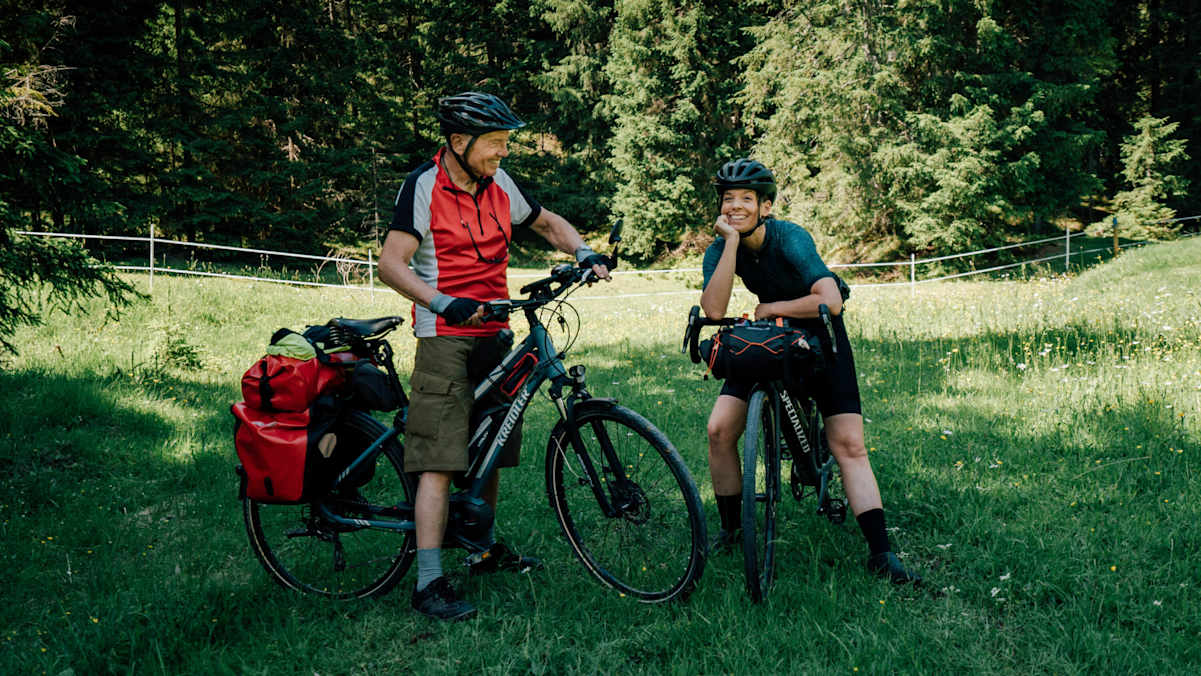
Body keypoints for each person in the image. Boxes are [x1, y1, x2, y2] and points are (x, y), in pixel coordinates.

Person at [378, 92, 611, 620]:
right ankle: (430, 582)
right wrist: (443, 301)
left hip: (497, 330)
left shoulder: (498, 183)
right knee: (440, 458)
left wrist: (583, 250)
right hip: (445, 334)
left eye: (506, 143)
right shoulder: (423, 185)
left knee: (492, 445)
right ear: (459, 143)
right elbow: (392, 263)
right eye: (495, 144)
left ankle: (481, 549)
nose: (503, 153)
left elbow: (547, 223)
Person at [699, 158, 921, 584]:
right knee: (719, 430)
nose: (736, 206)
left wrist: (773, 307)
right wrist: (729, 245)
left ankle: (881, 554)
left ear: (765, 207)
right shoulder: (719, 248)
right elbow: (713, 310)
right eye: (729, 199)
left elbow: (830, 299)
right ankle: (730, 531)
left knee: (848, 445)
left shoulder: (790, 237)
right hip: (767, 339)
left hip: (821, 337)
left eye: (747, 198)